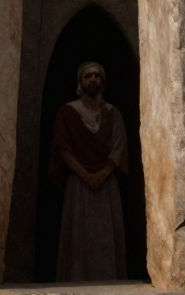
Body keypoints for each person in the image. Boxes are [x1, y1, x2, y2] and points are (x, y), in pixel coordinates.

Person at [48, 61, 129, 281]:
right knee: (79, 235)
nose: (93, 79)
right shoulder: (68, 113)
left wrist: (102, 175)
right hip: (79, 184)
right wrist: (85, 176)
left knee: (105, 235)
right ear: (80, 82)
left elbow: (119, 147)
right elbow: (62, 149)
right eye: (88, 76)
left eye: (97, 76)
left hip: (106, 184)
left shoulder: (113, 114)